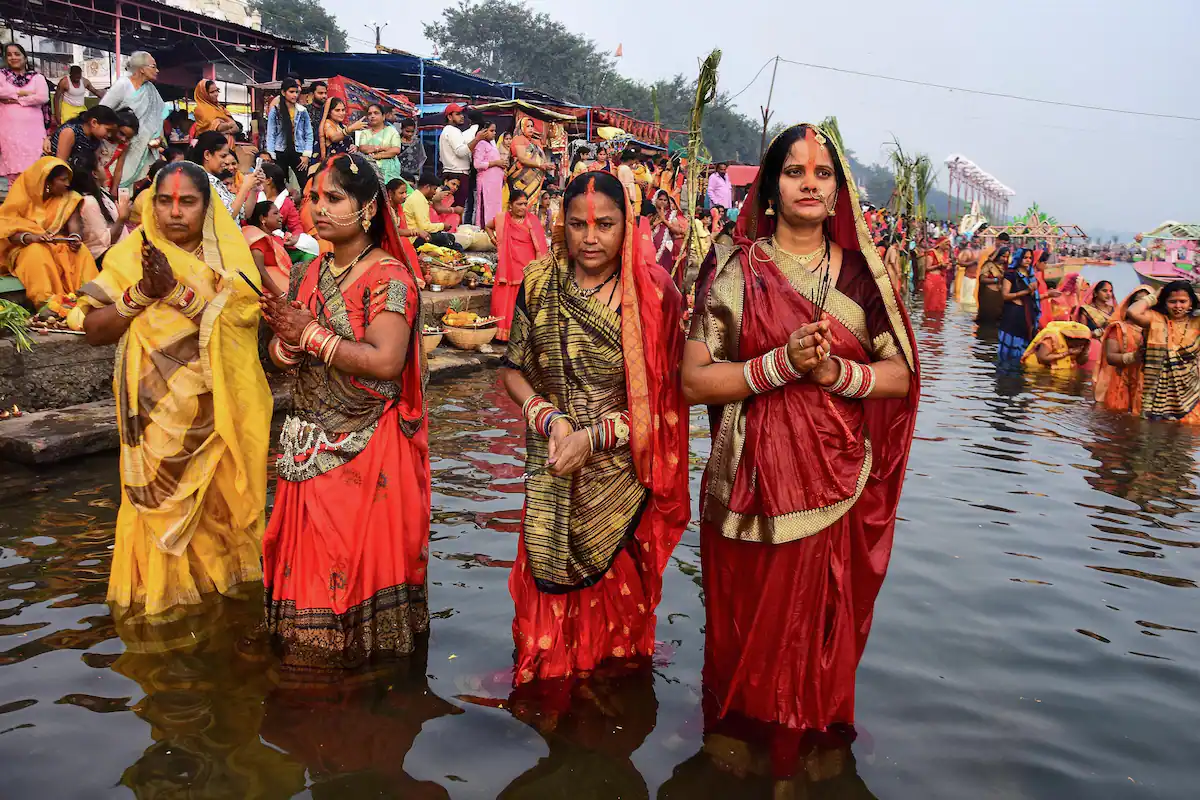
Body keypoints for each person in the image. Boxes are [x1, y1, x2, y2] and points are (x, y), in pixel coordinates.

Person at [680, 123, 918, 783]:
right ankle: (742, 728)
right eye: (794, 171)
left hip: (833, 480)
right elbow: (695, 379)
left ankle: (804, 738)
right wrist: (780, 365)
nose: (809, 183)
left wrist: (837, 377)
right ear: (771, 184)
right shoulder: (733, 266)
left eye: (822, 172)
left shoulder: (865, 277)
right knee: (746, 621)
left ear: (838, 188)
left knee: (816, 629)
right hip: (748, 482)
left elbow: (899, 375)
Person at [498, 170, 688, 685]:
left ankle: (603, 698)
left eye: (605, 224)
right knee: (543, 618)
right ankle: (546, 688)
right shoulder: (539, 281)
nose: (590, 237)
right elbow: (513, 369)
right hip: (554, 465)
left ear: (629, 225)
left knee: (615, 631)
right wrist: (551, 419)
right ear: (561, 223)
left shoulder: (653, 295)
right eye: (578, 223)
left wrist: (594, 437)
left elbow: (664, 402)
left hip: (620, 478)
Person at [72, 160, 272, 622]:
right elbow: (95, 329)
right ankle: (165, 604)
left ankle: (226, 602)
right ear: (152, 204)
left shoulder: (231, 257)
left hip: (218, 410)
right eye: (165, 201)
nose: (174, 212)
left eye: (187, 202)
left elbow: (242, 322)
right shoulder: (130, 255)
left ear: (207, 208)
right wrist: (144, 290)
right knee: (158, 509)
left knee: (221, 506)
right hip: (155, 412)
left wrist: (177, 293)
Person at [259, 151, 429, 668]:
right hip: (307, 443)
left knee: (352, 568)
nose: (319, 209)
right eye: (313, 198)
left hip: (366, 446)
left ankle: (360, 677)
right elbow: (279, 355)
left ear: (368, 208)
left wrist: (306, 334)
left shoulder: (389, 277)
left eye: (334, 198)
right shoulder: (306, 272)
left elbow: (386, 359)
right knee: (307, 570)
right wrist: (286, 345)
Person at [0, 156, 97, 305]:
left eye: (68, 179)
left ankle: (90, 300)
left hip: (56, 244)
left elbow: (75, 225)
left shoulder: (69, 198)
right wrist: (31, 237)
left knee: (80, 251)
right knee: (37, 251)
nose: (67, 184)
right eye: (62, 180)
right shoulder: (21, 197)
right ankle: (48, 303)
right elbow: (8, 230)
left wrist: (75, 238)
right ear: (47, 182)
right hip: (23, 247)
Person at [1125, 280, 1200, 423]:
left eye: (1183, 301)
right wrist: (1154, 296)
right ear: (1164, 303)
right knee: (1149, 437)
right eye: (1172, 301)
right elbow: (1132, 311)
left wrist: (1195, 297)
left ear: (1190, 303)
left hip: (1189, 395)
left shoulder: (1197, 322)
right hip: (1153, 394)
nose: (1178, 306)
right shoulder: (1155, 319)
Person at [486, 189, 547, 341]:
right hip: (506, 268)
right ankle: (501, 334)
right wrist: (494, 240)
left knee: (521, 302)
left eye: (525, 204)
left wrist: (538, 271)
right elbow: (488, 226)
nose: (523, 207)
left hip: (525, 269)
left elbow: (540, 247)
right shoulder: (501, 218)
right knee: (502, 300)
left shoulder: (531, 220)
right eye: (519, 204)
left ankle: (520, 336)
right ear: (510, 205)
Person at [101, 51, 164, 189]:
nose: (157, 70)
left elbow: (157, 118)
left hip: (144, 149)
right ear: (141, 68)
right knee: (115, 183)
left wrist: (157, 139)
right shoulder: (123, 84)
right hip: (119, 145)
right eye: (154, 66)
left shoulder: (151, 90)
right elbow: (102, 111)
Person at [1093, 286, 1154, 413]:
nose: (1142, 307)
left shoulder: (1158, 331)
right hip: (1120, 382)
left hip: (1146, 385)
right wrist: (1134, 357)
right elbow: (1111, 357)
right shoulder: (1119, 328)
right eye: (1138, 302)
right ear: (1130, 306)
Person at [0, 43, 51, 181]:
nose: (13, 57)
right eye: (9, 55)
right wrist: (22, 92)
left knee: (36, 175)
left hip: (34, 133)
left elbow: (42, 97)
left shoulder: (37, 77)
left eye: (17, 54)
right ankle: (16, 203)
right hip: (9, 133)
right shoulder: (2, 75)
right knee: (14, 177)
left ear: (25, 57)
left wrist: (16, 100)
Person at [71, 149, 131, 261]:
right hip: (108, 262)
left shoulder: (102, 192)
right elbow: (106, 242)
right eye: (99, 164)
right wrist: (122, 218)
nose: (103, 166)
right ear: (95, 174)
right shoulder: (89, 202)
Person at [189, 131, 260, 222]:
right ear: (207, 155)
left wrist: (253, 188)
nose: (226, 161)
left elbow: (244, 214)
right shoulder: (202, 183)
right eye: (223, 156)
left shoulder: (218, 182)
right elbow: (227, 219)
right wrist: (245, 187)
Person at [264, 77, 313, 189]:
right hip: (280, 152)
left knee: (303, 183)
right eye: (291, 92)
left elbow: (309, 133)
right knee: (280, 184)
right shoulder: (276, 111)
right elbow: (271, 133)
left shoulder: (302, 111)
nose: (294, 95)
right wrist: (271, 154)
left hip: (299, 151)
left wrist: (306, 154)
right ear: (283, 92)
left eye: (296, 92)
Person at [998, 249, 1044, 363]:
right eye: (1025, 258)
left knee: (1023, 346)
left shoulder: (1031, 276)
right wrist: (1026, 291)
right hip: (1012, 314)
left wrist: (1036, 293)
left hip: (1026, 314)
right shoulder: (1011, 274)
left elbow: (1033, 298)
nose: (1028, 260)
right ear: (1019, 258)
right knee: (1009, 346)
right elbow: (1005, 295)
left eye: (1030, 258)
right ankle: (1005, 370)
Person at [242, 201, 290, 294]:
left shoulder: (270, 238)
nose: (281, 215)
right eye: (275, 213)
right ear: (262, 218)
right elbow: (259, 271)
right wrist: (280, 294)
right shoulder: (257, 238)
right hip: (270, 295)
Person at [438, 104, 480, 209]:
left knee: (447, 207)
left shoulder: (447, 131)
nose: (462, 116)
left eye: (462, 114)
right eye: (458, 114)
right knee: (457, 209)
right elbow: (460, 152)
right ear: (449, 117)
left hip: (450, 173)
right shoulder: (453, 131)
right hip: (457, 174)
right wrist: (477, 139)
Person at [403, 172, 458, 249]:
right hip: (415, 239)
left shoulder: (419, 197)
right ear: (427, 187)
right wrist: (443, 226)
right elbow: (425, 227)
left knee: (450, 239)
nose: (435, 192)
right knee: (448, 239)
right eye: (434, 189)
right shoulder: (418, 199)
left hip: (419, 235)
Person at [49, 104, 119, 164]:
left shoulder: (96, 139)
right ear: (94, 122)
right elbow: (61, 164)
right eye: (108, 130)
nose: (109, 135)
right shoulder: (70, 132)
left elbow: (95, 164)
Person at [506, 116, 548, 210]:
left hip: (534, 180)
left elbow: (541, 158)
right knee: (520, 203)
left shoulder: (534, 142)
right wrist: (540, 165)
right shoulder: (518, 139)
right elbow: (522, 159)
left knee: (532, 205)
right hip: (521, 179)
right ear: (522, 127)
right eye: (527, 126)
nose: (530, 128)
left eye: (532, 126)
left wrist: (547, 165)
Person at [355, 103, 403, 184]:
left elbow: (395, 150)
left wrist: (375, 156)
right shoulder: (364, 132)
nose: (372, 116)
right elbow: (363, 148)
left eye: (376, 113)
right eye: (369, 114)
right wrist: (383, 148)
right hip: (370, 171)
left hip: (390, 172)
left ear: (383, 117)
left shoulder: (391, 131)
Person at [1020, 321, 1093, 371]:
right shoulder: (1052, 336)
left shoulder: (1083, 344)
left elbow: (1081, 362)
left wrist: (1085, 350)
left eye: (1082, 341)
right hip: (1037, 370)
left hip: (1059, 373)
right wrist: (1067, 353)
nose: (1079, 343)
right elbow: (1042, 358)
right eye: (1077, 340)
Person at [651, 189, 688, 285]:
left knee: (664, 272)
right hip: (650, 246)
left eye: (665, 200)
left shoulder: (672, 215)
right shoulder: (651, 212)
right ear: (656, 200)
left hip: (666, 248)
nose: (663, 202)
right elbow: (645, 227)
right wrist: (657, 222)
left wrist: (665, 221)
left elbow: (677, 231)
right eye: (660, 199)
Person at [472, 121, 506, 227]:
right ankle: (484, 230)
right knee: (485, 207)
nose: (494, 133)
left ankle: (493, 229)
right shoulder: (481, 144)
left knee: (494, 208)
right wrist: (496, 163)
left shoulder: (491, 145)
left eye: (495, 131)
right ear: (483, 131)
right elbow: (477, 164)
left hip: (494, 185)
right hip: (486, 183)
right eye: (491, 131)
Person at [315, 97, 365, 166]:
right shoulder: (327, 124)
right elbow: (334, 137)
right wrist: (351, 129)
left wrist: (354, 147)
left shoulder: (343, 126)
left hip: (346, 162)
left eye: (343, 110)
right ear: (329, 112)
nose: (341, 113)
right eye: (337, 110)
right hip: (333, 165)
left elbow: (347, 142)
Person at [259, 162, 304, 236]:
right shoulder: (253, 195)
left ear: (268, 180)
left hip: (277, 241)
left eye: (259, 176)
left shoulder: (287, 203)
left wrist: (292, 239)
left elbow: (296, 227)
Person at [192, 80, 238, 146]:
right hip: (210, 146)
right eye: (212, 92)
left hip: (227, 144)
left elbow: (236, 127)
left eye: (217, 91)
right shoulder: (200, 109)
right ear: (204, 94)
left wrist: (225, 129)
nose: (216, 94)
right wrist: (228, 126)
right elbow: (217, 127)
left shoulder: (220, 108)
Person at [976, 234, 1010, 323]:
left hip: (999, 296)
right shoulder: (989, 265)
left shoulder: (1006, 267)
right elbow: (982, 279)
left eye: (1007, 257)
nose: (1005, 259)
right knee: (987, 318)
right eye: (1003, 256)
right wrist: (996, 280)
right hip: (988, 295)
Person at [923, 236, 950, 314]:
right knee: (931, 303)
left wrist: (947, 266)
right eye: (946, 244)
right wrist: (939, 266)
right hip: (931, 279)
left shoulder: (945, 254)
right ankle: (928, 323)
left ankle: (937, 323)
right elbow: (927, 268)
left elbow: (945, 266)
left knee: (940, 304)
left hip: (941, 280)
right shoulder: (932, 252)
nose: (948, 246)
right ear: (940, 244)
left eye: (949, 244)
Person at [396, 118, 426, 184]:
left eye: (412, 132)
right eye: (407, 131)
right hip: (399, 173)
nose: (410, 134)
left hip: (414, 174)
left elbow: (420, 158)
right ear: (401, 129)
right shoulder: (396, 141)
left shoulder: (417, 142)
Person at [954, 239, 979, 307]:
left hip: (977, 279)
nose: (976, 243)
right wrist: (973, 262)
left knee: (974, 300)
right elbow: (960, 263)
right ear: (971, 243)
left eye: (977, 242)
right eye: (975, 242)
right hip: (968, 278)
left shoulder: (980, 251)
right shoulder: (967, 252)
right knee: (966, 300)